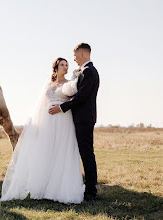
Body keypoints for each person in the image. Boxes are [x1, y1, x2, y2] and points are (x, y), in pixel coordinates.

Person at [0, 57, 85, 204]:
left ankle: (59, 188)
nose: (65, 67)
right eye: (62, 65)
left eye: (67, 65)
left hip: (63, 120)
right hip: (48, 122)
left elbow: (75, 98)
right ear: (56, 68)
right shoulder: (49, 84)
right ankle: (44, 187)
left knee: (61, 151)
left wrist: (76, 78)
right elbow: (41, 106)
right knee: (47, 151)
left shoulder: (70, 83)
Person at [50, 43, 100, 201]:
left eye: (75, 55)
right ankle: (88, 187)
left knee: (87, 154)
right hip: (81, 118)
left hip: (84, 119)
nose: (74, 58)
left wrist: (62, 107)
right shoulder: (85, 72)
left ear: (83, 54)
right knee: (85, 153)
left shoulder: (89, 72)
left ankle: (91, 191)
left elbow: (81, 97)